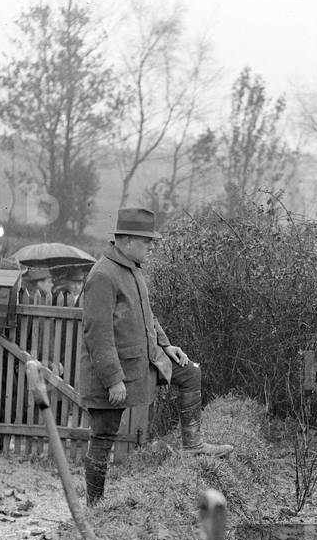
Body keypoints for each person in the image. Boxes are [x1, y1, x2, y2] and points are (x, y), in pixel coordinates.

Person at [78, 206, 232, 504]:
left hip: (145, 362)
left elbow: (147, 315)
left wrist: (167, 345)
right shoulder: (103, 275)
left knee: (190, 373)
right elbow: (97, 334)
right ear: (127, 240)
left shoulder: (131, 270)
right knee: (103, 436)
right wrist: (112, 380)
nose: (151, 246)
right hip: (114, 374)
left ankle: (194, 444)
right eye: (147, 241)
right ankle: (94, 505)